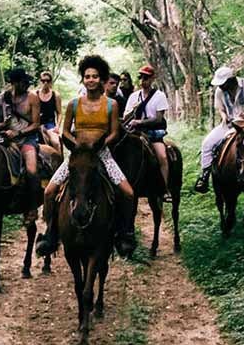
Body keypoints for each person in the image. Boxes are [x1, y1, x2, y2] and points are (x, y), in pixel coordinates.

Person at [37, 55, 137, 255]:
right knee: (49, 192)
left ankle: (123, 233)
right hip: (77, 155)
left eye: (95, 76)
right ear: (83, 79)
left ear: (101, 79)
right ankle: (51, 233)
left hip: (103, 154)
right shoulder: (74, 104)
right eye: (87, 76)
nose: (91, 80)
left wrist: (99, 145)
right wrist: (76, 145)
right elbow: (64, 131)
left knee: (128, 192)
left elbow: (115, 132)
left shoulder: (111, 104)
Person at [194, 65, 244, 194]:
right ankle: (204, 176)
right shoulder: (219, 91)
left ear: (231, 80)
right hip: (230, 125)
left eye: (223, 84)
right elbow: (220, 108)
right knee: (207, 144)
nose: (220, 86)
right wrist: (224, 116)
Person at [123, 65, 172, 187]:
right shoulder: (133, 96)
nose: (143, 81)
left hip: (153, 134)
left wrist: (140, 122)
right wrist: (134, 110)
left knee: (163, 157)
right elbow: (125, 117)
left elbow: (158, 118)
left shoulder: (159, 96)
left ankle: (164, 188)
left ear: (152, 79)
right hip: (135, 132)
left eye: (146, 78)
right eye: (141, 77)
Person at [0, 67, 42, 179]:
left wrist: (18, 133)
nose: (27, 84)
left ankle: (35, 195)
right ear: (15, 83)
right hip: (6, 140)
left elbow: (36, 124)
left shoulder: (32, 97)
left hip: (27, 139)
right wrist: (1, 127)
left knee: (32, 171)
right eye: (24, 82)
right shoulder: (2, 99)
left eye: (27, 82)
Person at [33, 71, 63, 150]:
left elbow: (59, 113)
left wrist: (57, 126)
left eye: (48, 81)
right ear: (40, 81)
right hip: (36, 124)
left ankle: (60, 160)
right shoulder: (34, 94)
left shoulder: (55, 95)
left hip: (50, 124)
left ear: (51, 82)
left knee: (56, 143)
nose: (45, 83)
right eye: (43, 81)